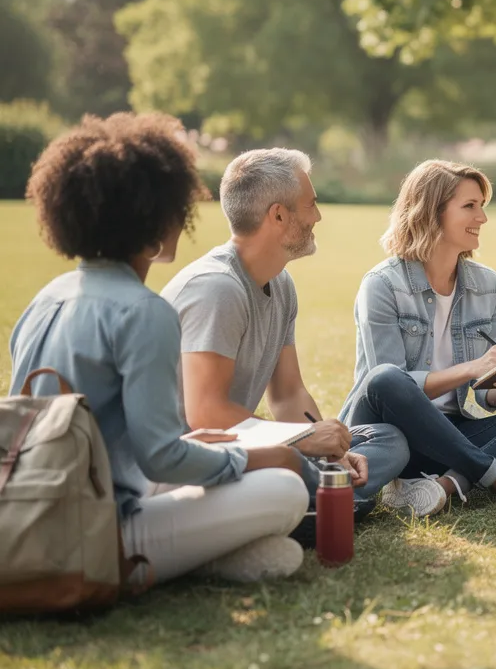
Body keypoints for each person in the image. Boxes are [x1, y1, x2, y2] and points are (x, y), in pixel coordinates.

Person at [10, 113, 308, 584]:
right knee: (286, 488)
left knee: (241, 475)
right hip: (94, 534)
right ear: (153, 215)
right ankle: (190, 560)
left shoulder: (46, 298)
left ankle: (205, 554)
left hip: (29, 513)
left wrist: (197, 446)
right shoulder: (144, 311)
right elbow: (161, 460)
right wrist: (263, 456)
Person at [160, 148, 410, 515]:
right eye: (310, 205)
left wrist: (332, 450)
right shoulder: (216, 288)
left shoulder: (281, 284)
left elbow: (288, 394)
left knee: (388, 441)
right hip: (195, 462)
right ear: (278, 214)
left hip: (249, 448)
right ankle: (321, 503)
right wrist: (303, 440)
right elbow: (205, 413)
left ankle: (323, 498)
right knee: (297, 472)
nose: (318, 216)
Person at [337, 160, 496, 514]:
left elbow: (484, 394)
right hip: (390, 434)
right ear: (430, 212)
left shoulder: (487, 286)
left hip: (451, 436)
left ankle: (447, 484)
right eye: (470, 206)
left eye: (482, 206)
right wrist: (471, 368)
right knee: (386, 379)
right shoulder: (382, 285)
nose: (482, 218)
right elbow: (388, 387)